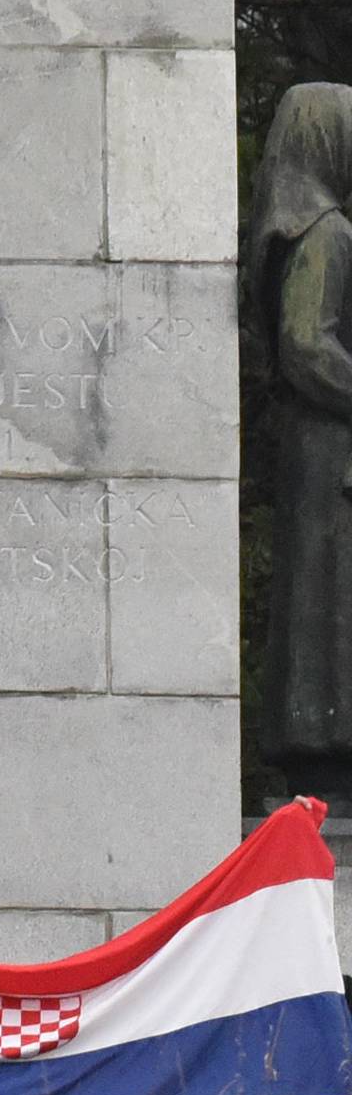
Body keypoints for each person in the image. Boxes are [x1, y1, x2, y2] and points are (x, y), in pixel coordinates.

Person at [244, 86, 352, 798]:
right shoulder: (330, 233)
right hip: (334, 457)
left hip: (318, 455)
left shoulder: (298, 235)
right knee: (327, 614)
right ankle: (325, 744)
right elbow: (307, 345)